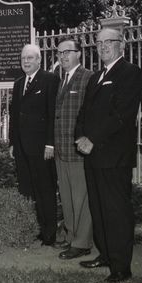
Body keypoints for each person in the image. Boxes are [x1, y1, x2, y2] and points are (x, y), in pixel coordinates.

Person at [75, 28, 142, 283]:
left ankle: (121, 266)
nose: (103, 46)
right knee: (98, 208)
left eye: (109, 42)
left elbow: (121, 115)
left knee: (116, 211)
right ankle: (105, 254)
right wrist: (80, 137)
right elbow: (84, 113)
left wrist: (93, 139)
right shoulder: (96, 77)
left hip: (114, 157)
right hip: (92, 155)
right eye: (99, 43)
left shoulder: (130, 73)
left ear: (121, 45)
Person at [9, 44, 60, 246]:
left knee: (45, 190)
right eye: (23, 58)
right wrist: (13, 143)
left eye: (30, 58)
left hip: (42, 148)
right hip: (21, 148)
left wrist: (50, 144)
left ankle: (49, 234)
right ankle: (33, 229)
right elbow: (14, 116)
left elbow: (52, 114)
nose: (26, 61)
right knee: (27, 190)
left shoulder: (50, 80)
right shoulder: (19, 83)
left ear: (39, 60)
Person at [54, 37, 93, 260]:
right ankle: (71, 236)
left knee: (81, 199)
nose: (63, 56)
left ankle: (82, 242)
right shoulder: (63, 80)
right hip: (61, 151)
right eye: (60, 53)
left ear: (79, 53)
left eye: (68, 51)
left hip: (78, 151)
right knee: (67, 198)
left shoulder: (87, 78)